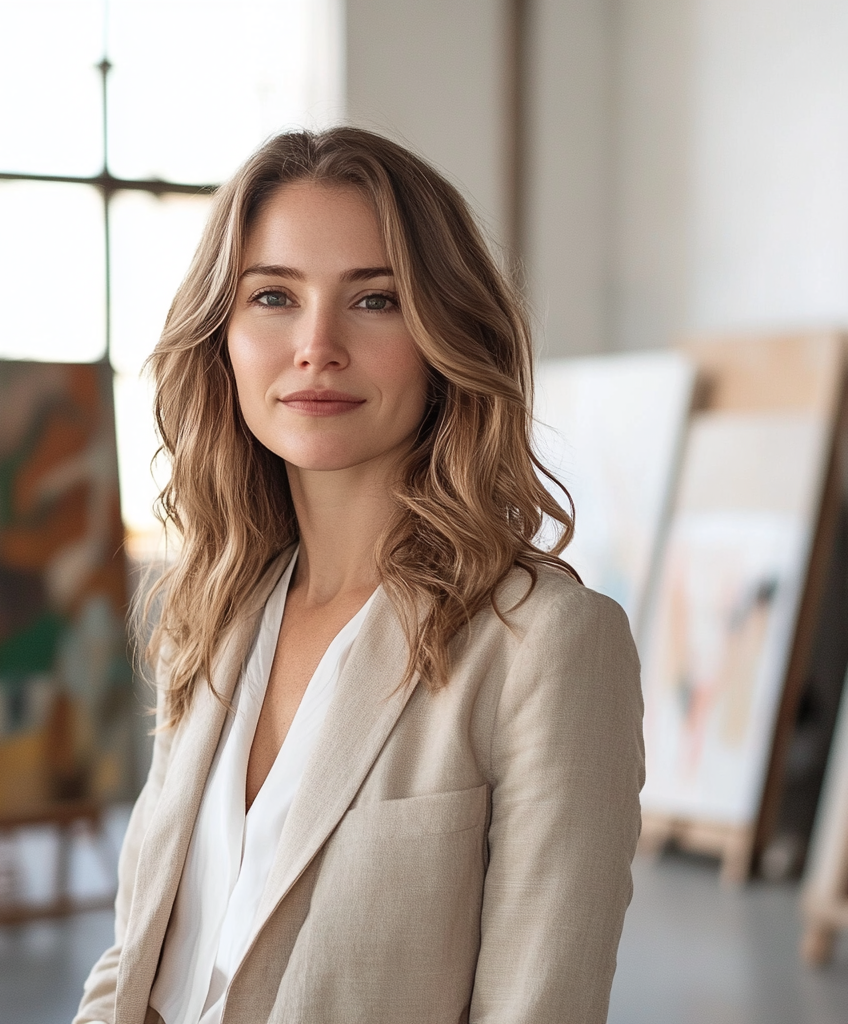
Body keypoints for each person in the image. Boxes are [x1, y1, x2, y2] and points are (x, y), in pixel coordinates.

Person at [75, 126, 644, 1024]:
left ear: (444, 336)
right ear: (222, 336)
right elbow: (137, 955)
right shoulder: (207, 615)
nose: (317, 345)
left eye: (375, 301)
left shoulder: (546, 646)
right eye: (273, 296)